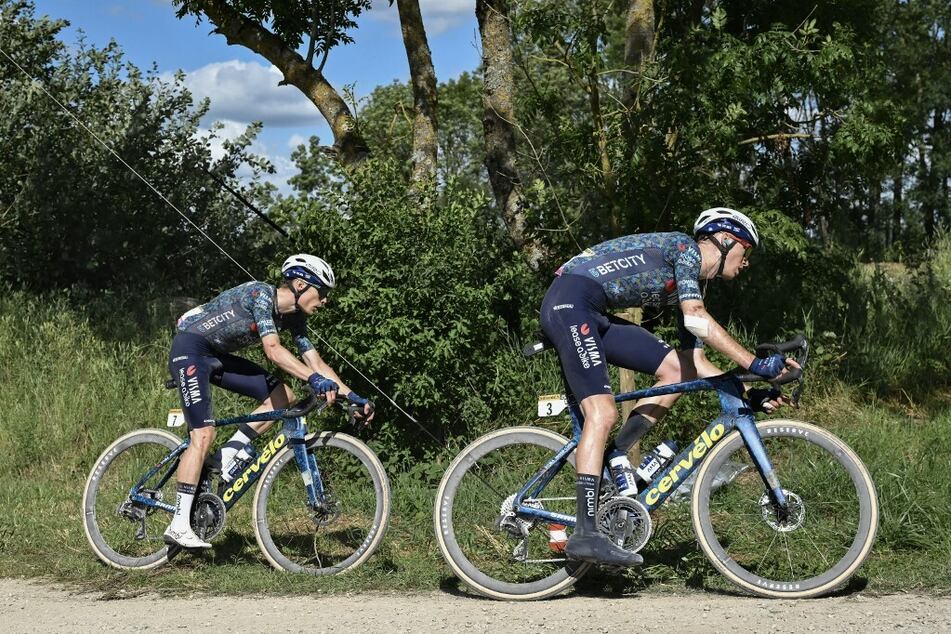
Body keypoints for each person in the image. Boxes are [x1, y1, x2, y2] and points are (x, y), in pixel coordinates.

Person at [539, 207, 797, 566]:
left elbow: (695, 364)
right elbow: (696, 318)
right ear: (725, 242)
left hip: (590, 310)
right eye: (746, 251)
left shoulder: (686, 280)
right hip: (571, 304)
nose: (746, 262)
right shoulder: (684, 250)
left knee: (677, 370)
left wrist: (746, 391)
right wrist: (754, 363)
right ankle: (585, 534)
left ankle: (616, 452)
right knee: (602, 410)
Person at [163, 254, 375, 549]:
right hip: (190, 349)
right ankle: (178, 524)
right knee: (203, 433)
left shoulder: (294, 318)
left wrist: (350, 396)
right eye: (322, 292)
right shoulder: (260, 295)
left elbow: (315, 362)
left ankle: (227, 456)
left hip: (216, 357)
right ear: (300, 285)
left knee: (283, 396)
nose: (325, 300)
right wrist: (312, 380)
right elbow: (273, 351)